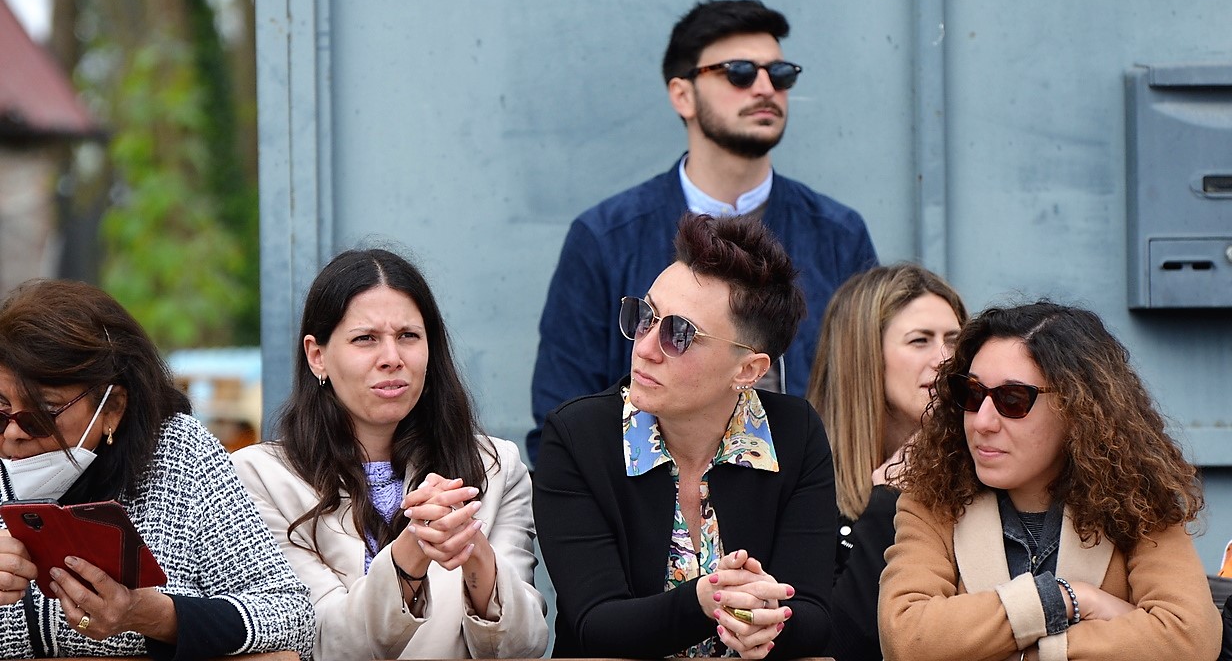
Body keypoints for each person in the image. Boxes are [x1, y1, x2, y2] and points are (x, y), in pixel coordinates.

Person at [526, 0, 877, 463]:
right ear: (682, 95)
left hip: (816, 497)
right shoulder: (605, 237)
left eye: (780, 74)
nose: (765, 88)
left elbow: (871, 398)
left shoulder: (839, 234)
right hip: (646, 502)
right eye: (739, 72)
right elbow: (562, 419)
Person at [535, 213, 835, 659]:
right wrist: (705, 601)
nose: (645, 347)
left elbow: (814, 615)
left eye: (679, 334)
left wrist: (766, 620)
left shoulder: (795, 433)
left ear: (748, 370)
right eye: (645, 316)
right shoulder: (577, 437)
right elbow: (594, 622)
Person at [233, 248, 548, 660]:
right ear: (317, 356)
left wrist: (473, 550)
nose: (392, 359)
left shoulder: (496, 467)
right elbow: (320, 641)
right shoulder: (260, 477)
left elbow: (524, 646)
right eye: (365, 339)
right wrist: (412, 550)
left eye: (408, 336)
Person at [878, 301, 1221, 661]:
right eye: (973, 394)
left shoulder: (1137, 501)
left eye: (1012, 400)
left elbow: (1190, 638)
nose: (982, 422)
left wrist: (1037, 650)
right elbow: (905, 637)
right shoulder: (933, 501)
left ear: (1077, 409)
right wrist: (1062, 599)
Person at [0, 279, 314, 659]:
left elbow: (292, 616)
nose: (13, 433)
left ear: (112, 407)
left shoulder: (179, 456)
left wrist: (152, 616)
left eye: (43, 414)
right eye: (0, 411)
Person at [804, 263, 966, 661]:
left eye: (955, 340)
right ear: (863, 358)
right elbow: (834, 644)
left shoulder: (985, 468)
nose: (945, 359)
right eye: (920, 341)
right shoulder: (802, 482)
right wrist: (888, 501)